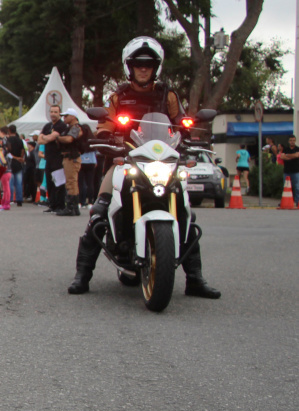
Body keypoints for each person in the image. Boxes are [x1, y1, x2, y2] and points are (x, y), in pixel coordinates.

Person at [68, 36, 219, 299]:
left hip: (161, 161)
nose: (143, 68)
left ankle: (195, 279)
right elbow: (107, 123)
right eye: (138, 64)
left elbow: (180, 122)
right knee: (99, 210)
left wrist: (191, 135)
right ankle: (82, 275)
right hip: (125, 160)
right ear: (130, 66)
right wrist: (105, 136)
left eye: (148, 64)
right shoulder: (119, 96)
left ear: (156, 67)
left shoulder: (167, 94)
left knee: (186, 213)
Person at [55, 108, 84, 216]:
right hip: (70, 158)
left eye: (66, 116)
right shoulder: (71, 128)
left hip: (72, 158)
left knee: (71, 182)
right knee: (73, 182)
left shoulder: (76, 128)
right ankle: (74, 207)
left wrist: (58, 137)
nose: (64, 118)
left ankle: (70, 207)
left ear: (73, 116)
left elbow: (69, 139)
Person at [38, 105, 67, 213]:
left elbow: (50, 137)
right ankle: (52, 204)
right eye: (51, 112)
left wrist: (47, 137)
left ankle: (60, 205)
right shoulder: (47, 126)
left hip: (58, 158)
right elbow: (40, 140)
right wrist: (47, 138)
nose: (53, 114)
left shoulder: (61, 125)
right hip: (48, 158)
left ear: (59, 113)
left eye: (55, 112)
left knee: (59, 182)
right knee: (49, 182)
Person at [6, 124, 25, 207]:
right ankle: (19, 200)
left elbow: (7, 152)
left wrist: (15, 157)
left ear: (9, 131)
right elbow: (23, 150)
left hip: (10, 162)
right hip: (18, 163)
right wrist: (20, 157)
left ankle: (9, 199)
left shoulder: (7, 140)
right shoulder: (20, 140)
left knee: (10, 182)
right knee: (19, 182)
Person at [282, 135, 299, 207]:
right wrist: (291, 156)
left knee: (296, 187)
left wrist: (287, 155)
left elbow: (297, 155)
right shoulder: (285, 149)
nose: (292, 142)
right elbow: (282, 156)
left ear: (295, 141)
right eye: (291, 140)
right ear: (289, 141)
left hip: (295, 171)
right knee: (286, 187)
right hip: (286, 171)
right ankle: (286, 201)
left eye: (293, 140)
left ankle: (296, 201)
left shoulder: (297, 148)